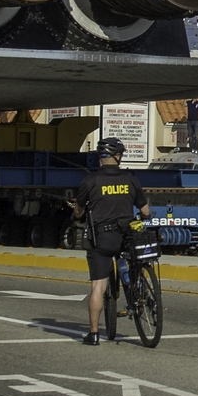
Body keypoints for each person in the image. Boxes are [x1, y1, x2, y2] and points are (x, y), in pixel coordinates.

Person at [73, 139, 144, 345]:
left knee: (98, 286)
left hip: (101, 238)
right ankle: (135, 288)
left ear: (101, 158)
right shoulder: (130, 179)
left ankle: (94, 334)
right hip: (126, 236)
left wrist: (78, 212)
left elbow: (79, 210)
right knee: (133, 257)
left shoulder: (90, 181)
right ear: (118, 157)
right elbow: (145, 209)